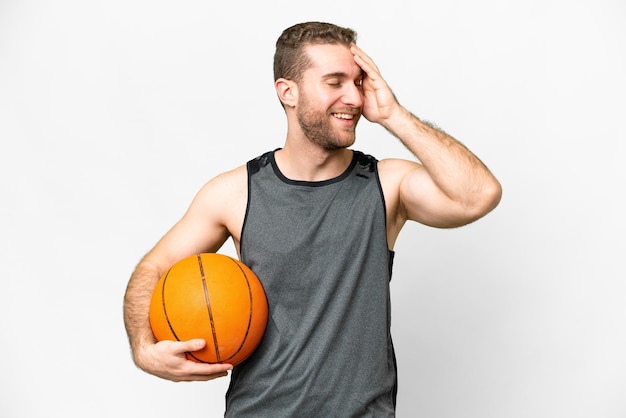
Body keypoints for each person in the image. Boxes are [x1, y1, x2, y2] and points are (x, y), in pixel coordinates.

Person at [123, 21, 502, 417]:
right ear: (288, 92)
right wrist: (143, 348)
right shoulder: (235, 193)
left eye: (358, 82)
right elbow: (155, 267)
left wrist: (393, 114)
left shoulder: (386, 185)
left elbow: (478, 194)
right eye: (335, 82)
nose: (354, 97)